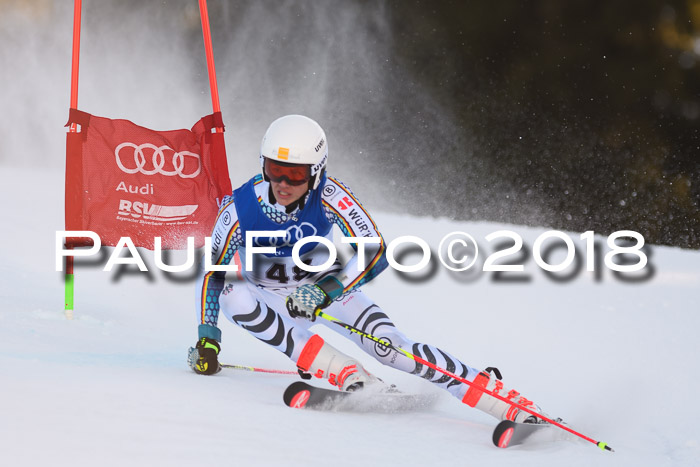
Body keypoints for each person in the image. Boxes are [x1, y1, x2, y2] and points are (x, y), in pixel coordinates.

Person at [187, 114, 547, 423]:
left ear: (315, 172)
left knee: (390, 349)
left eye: (295, 175)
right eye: (274, 170)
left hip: (327, 293)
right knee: (235, 295)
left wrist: (326, 289)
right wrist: (208, 337)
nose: (282, 184)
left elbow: (374, 251)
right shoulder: (238, 209)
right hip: (270, 299)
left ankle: (503, 401)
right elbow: (213, 275)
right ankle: (349, 375)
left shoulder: (331, 196)